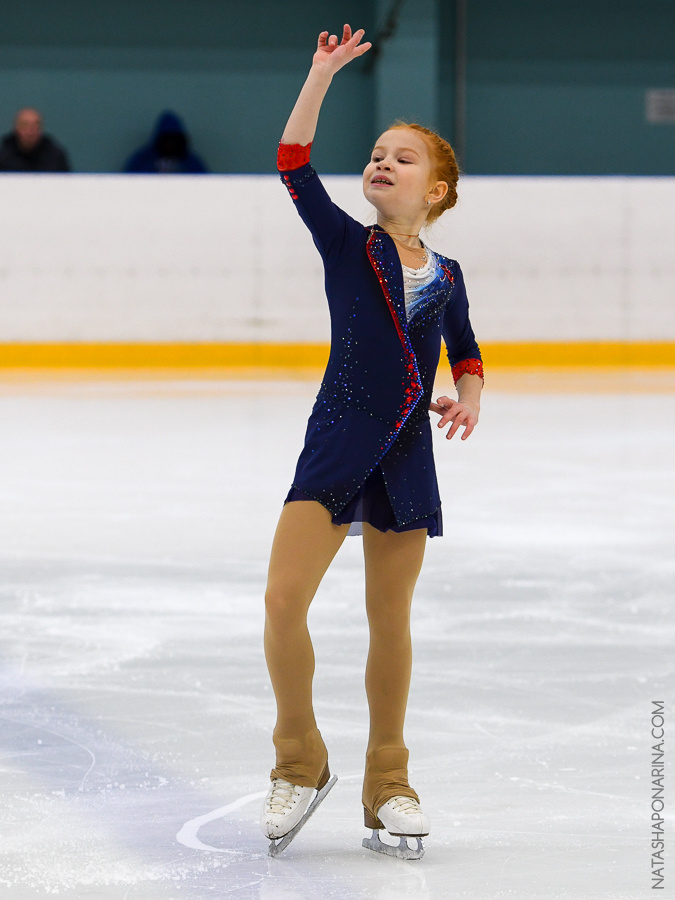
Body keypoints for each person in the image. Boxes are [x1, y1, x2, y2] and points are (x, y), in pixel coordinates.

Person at [261, 24, 484, 858]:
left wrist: (469, 391)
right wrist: (320, 73)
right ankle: (298, 760)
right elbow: (292, 165)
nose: (381, 163)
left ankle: (387, 782)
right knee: (284, 604)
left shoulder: (448, 273)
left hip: (405, 456)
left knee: (389, 619)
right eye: (376, 154)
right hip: (334, 441)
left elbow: (464, 345)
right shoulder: (346, 244)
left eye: (403, 158)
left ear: (436, 191)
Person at [123, 110, 208, 174]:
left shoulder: (191, 162)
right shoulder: (143, 160)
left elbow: (206, 184)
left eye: (174, 139)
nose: (171, 144)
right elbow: (127, 182)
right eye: (167, 139)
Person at [0, 108, 70, 172]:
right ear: (16, 128)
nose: (30, 132)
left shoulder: (55, 158)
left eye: (35, 126)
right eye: (25, 125)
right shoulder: (3, 157)